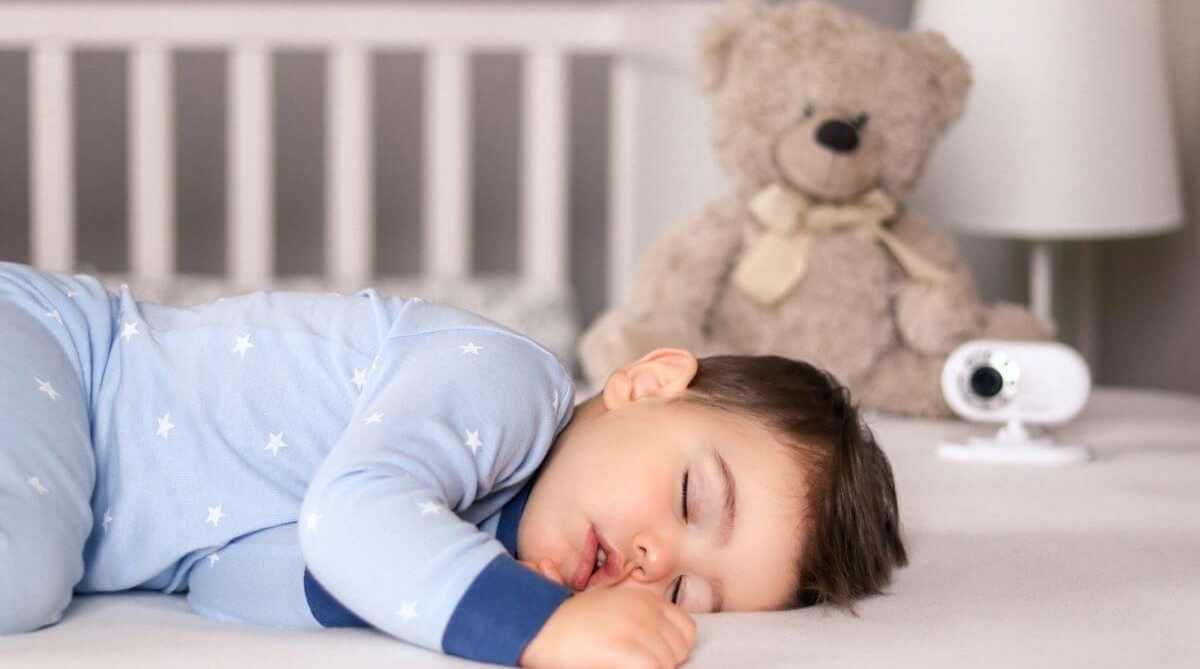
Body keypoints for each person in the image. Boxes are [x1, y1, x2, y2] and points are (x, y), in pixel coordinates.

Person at [0, 260, 907, 668]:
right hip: (55, 348)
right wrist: (539, 624)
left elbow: (233, 581)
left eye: (684, 593)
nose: (653, 559)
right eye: (687, 496)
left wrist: (421, 591)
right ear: (646, 383)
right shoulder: (509, 385)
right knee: (22, 572)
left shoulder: (444, 543)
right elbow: (352, 516)